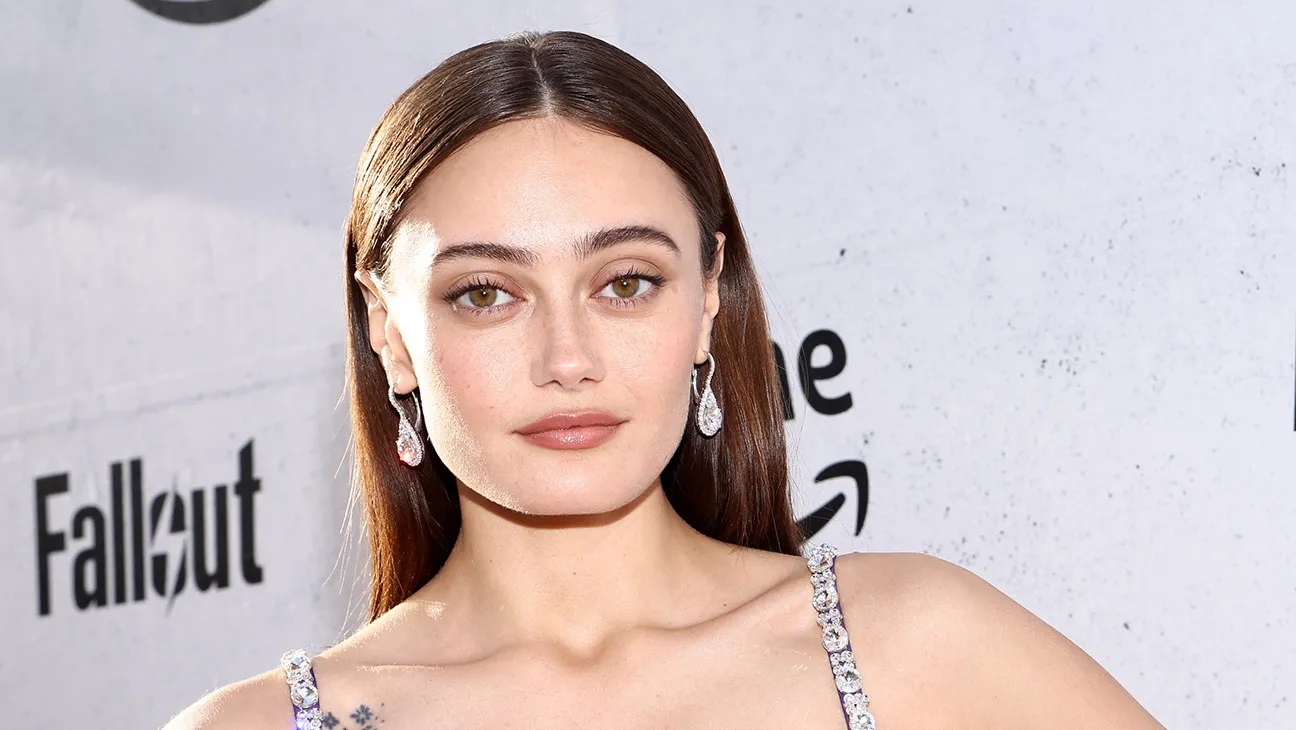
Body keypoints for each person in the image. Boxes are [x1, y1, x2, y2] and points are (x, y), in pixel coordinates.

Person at [165, 29, 1164, 729]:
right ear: (389, 332)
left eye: (626, 282)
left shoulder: (912, 641)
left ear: (708, 296)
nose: (568, 359)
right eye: (486, 294)